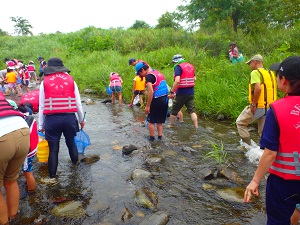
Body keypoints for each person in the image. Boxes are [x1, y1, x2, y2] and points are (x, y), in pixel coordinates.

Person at [244, 56, 300, 225]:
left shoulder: (277, 109)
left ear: (284, 80)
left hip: (284, 183)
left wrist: (255, 181)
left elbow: (270, 153)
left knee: (277, 221)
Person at [38, 57, 85, 184]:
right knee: (71, 143)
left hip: (52, 120)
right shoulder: (71, 81)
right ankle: (75, 167)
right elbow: (78, 103)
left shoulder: (44, 82)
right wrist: (81, 119)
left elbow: (41, 105)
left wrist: (41, 125)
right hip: (69, 118)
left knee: (53, 149)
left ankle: (52, 177)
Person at [0, 92, 30, 225]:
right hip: (22, 129)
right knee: (11, 180)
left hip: (2, 137)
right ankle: (13, 217)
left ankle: (4, 222)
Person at [236, 54, 277, 145]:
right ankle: (266, 152)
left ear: (255, 62)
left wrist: (253, 104)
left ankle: (248, 147)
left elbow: (258, 88)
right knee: (262, 131)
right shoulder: (270, 73)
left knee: (240, 123)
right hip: (270, 108)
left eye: (249, 63)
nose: (249, 66)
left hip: (259, 106)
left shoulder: (255, 72)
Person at [135, 62, 169, 141]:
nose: (141, 75)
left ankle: (152, 138)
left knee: (151, 120)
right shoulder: (157, 73)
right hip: (165, 99)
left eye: (140, 73)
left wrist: (147, 106)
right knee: (159, 121)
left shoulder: (149, 76)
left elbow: (151, 92)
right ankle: (160, 137)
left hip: (157, 99)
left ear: (143, 69)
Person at [169, 54, 198, 128]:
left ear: (176, 61)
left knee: (174, 110)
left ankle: (171, 125)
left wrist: (172, 91)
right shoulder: (190, 66)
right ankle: (196, 127)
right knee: (192, 111)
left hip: (182, 92)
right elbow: (194, 79)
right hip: (191, 92)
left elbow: (177, 80)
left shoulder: (178, 67)